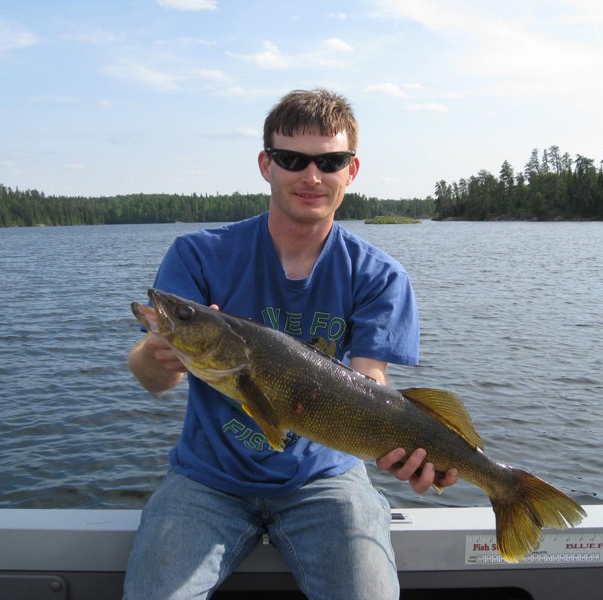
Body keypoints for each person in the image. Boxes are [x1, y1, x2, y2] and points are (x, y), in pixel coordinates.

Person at [123, 88, 458, 600]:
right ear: (266, 165)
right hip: (206, 480)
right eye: (292, 159)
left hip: (328, 480)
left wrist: (401, 450)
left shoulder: (380, 275)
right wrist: (159, 353)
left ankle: (506, 489)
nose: (312, 175)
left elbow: (371, 382)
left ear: (352, 169)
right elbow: (152, 377)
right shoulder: (197, 254)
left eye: (330, 161)